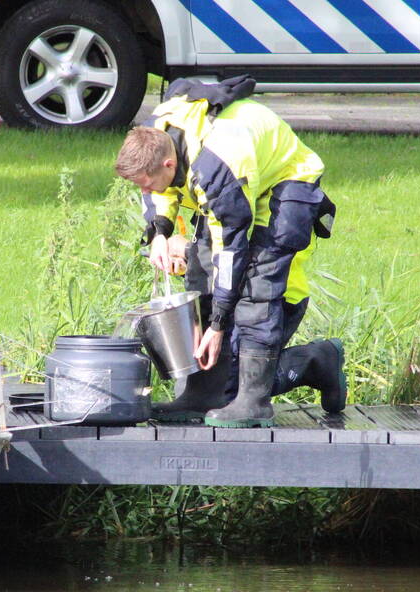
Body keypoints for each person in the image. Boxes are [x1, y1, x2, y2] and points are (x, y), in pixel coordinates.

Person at [114, 76, 346, 428]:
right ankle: (203, 393)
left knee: (257, 289)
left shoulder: (216, 165)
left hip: (284, 184)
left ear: (168, 166)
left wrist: (218, 324)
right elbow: (156, 192)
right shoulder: (154, 136)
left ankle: (271, 391)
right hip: (234, 186)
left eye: (147, 181)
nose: (143, 189)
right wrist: (159, 232)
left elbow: (230, 248)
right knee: (200, 276)